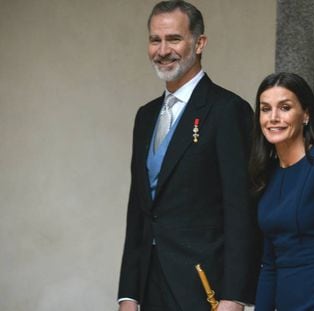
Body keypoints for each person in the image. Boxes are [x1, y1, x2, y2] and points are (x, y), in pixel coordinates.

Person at [117, 1, 261, 310]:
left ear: (199, 43)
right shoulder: (145, 116)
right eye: (155, 39)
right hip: (149, 283)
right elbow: (139, 210)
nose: (163, 49)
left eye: (174, 39)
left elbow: (240, 209)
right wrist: (128, 293)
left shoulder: (227, 111)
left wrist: (233, 296)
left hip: (203, 284)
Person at [249, 72, 314, 310]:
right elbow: (269, 263)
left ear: (305, 114)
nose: (273, 118)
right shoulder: (267, 173)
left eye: (285, 107)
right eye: (266, 109)